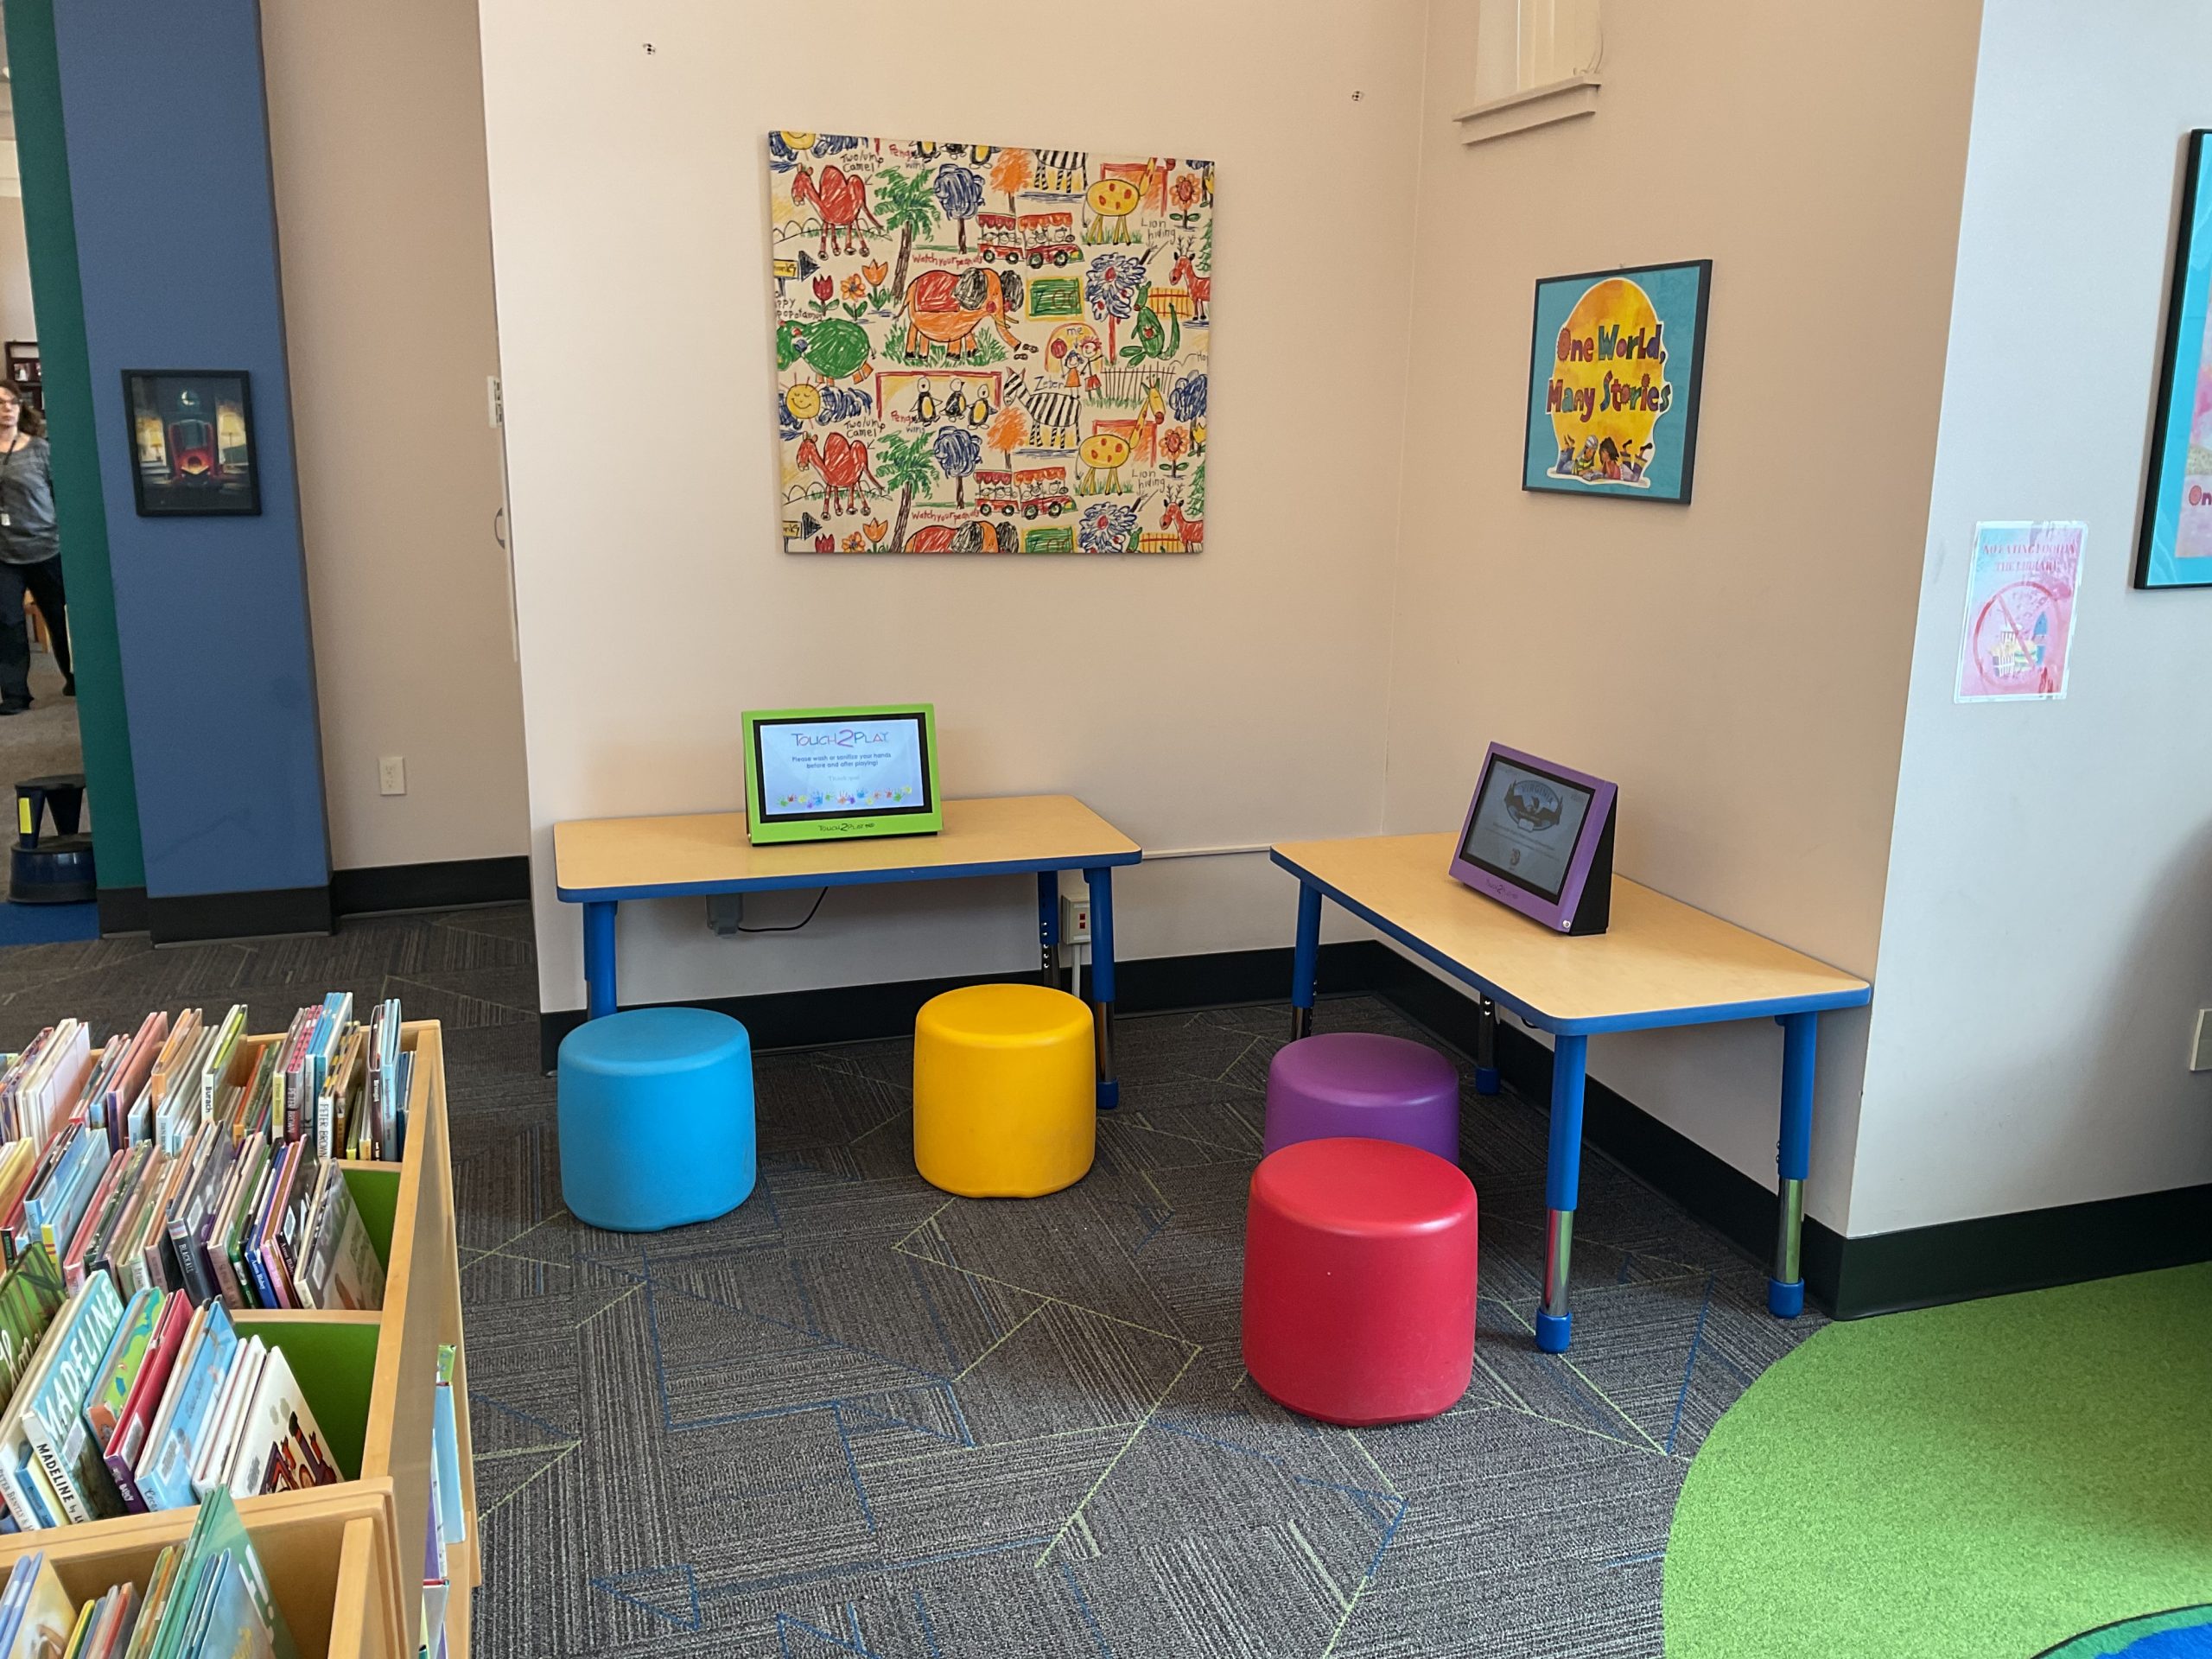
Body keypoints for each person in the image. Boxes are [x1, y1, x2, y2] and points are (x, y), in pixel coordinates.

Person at [0, 385, 70, 714]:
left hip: (46, 547)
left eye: (12, 402)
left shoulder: (41, 450)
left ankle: (76, 677)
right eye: (0, 403)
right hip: (4, 553)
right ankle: (15, 695)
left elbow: (61, 497)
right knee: (8, 621)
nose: (7, 408)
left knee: (60, 617)